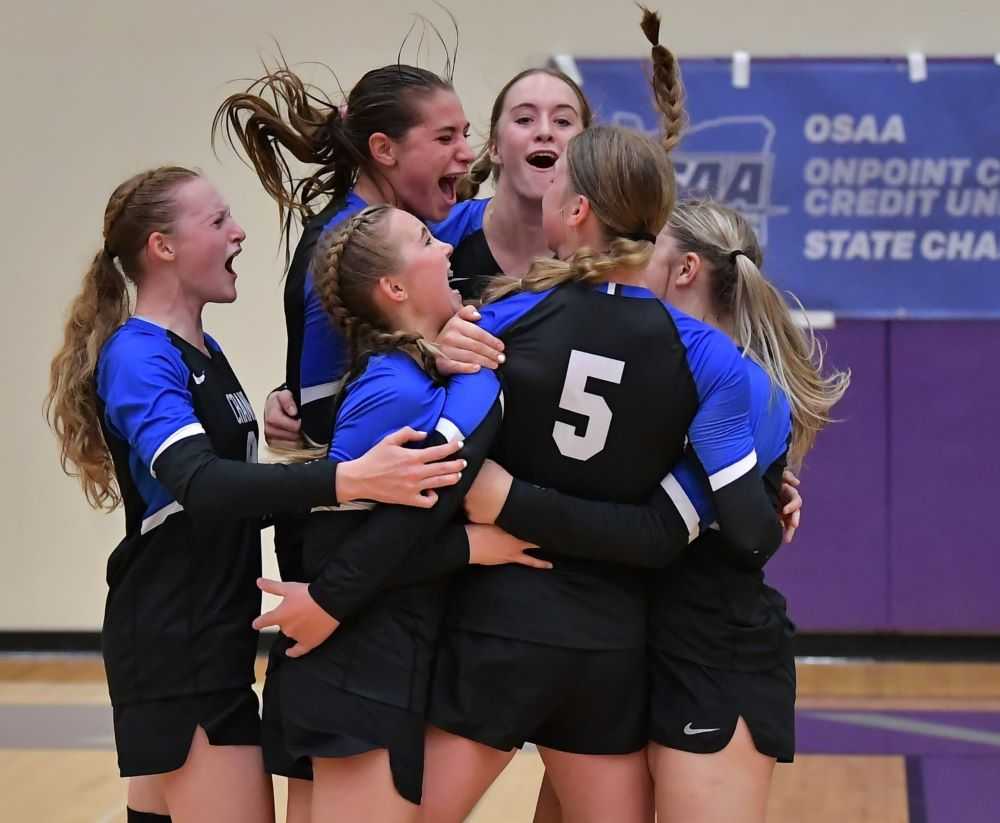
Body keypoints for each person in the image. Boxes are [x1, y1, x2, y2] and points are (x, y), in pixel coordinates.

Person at [43, 167, 466, 823]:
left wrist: (315, 454)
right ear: (164, 247)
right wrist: (345, 479)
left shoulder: (201, 348)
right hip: (176, 641)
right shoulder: (138, 354)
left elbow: (236, 487)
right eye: (217, 222)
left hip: (209, 635)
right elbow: (202, 483)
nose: (238, 231)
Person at [465, 200, 847, 823]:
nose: (629, 256)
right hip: (622, 640)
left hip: (710, 652)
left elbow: (663, 536)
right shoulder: (647, 361)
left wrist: (506, 501)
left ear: (686, 268)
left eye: (650, 246)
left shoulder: (729, 382)